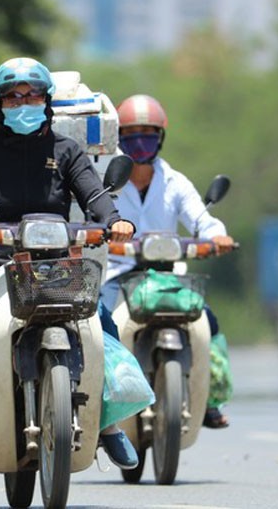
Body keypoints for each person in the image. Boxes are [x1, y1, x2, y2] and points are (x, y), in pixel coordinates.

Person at [0, 57, 139, 469]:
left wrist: (115, 222)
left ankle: (110, 425)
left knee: (103, 322)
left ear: (46, 101)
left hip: (57, 270)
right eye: (13, 96)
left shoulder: (66, 150)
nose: (23, 102)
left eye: (31, 95)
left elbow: (94, 196)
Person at [100, 94, 235, 428]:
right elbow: (90, 214)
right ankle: (96, 399)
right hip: (117, 272)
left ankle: (209, 397)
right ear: (119, 138)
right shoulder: (105, 178)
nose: (140, 142)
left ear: (161, 137)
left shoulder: (175, 182)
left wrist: (217, 236)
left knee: (208, 323)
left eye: (148, 133)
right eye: (131, 134)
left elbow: (202, 220)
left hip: (166, 273)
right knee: (99, 324)